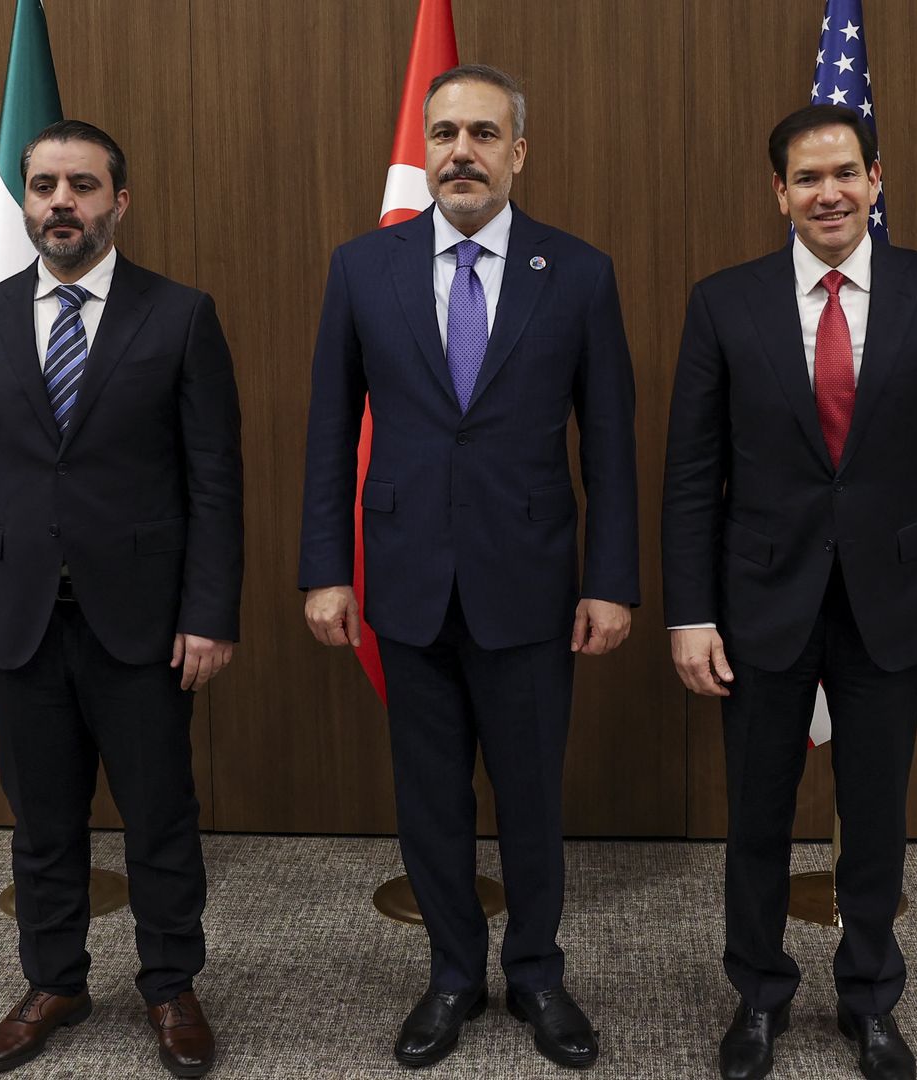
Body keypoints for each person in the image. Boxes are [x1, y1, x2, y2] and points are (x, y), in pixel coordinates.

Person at [298, 64, 639, 1072]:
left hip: (531, 583)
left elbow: (610, 444)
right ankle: (453, 973)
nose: (462, 152)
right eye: (445, 132)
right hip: (405, 582)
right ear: (426, 148)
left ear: (517, 153)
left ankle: (536, 973)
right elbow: (330, 433)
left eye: (484, 133)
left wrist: (610, 580)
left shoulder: (577, 272)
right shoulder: (363, 267)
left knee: (530, 797)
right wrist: (326, 569)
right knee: (430, 797)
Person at [661, 104, 917, 1080]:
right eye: (808, 179)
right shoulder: (723, 303)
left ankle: (870, 999)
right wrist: (689, 612)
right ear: (779, 193)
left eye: (846, 173)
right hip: (758, 603)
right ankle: (759, 996)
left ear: (876, 179)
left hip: (889, 601)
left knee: (876, 815)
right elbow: (690, 476)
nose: (829, 194)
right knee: (757, 818)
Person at [0, 119, 242, 1078]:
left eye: (83, 186)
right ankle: (53, 981)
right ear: (26, 202)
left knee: (160, 816)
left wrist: (209, 612)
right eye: (45, 186)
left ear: (119, 202)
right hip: (16, 615)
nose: (62, 202)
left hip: (143, 621)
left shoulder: (180, 315)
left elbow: (215, 482)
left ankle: (171, 984)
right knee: (41, 818)